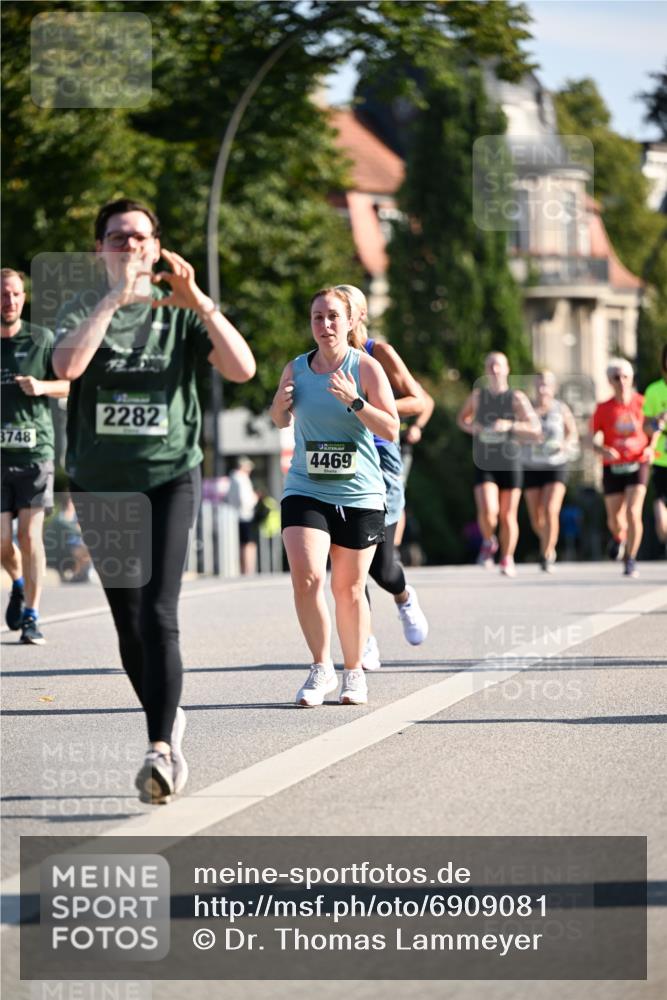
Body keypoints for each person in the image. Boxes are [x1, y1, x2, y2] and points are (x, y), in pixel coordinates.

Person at [52, 198, 255, 803]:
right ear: (100, 251)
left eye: (140, 237)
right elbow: (66, 366)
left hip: (170, 475)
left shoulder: (183, 314)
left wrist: (203, 304)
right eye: (116, 238)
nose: (129, 246)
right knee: (128, 623)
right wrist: (114, 299)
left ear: (158, 245)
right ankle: (167, 715)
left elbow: (241, 369)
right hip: (100, 482)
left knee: (159, 613)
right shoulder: (82, 308)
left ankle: (161, 747)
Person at [270, 287, 399, 707]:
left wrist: (356, 401)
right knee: (307, 577)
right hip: (306, 487)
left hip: (360, 492)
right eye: (317, 317)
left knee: (349, 588)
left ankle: (354, 672)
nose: (324, 325)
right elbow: (278, 419)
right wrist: (278, 405)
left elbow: (391, 429)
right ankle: (320, 667)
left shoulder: (366, 368)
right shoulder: (296, 368)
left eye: (332, 317)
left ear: (349, 322)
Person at [337, 283, 428, 673]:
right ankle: (366, 641)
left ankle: (404, 596)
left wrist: (369, 405)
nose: (332, 320)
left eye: (342, 311)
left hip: (380, 455)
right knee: (346, 559)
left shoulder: (379, 353)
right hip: (341, 459)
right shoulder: (322, 359)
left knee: (381, 566)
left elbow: (420, 400)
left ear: (358, 316)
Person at [1, 268, 70, 644]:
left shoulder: (41, 338)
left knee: (30, 536)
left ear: (23, 297)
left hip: (35, 453)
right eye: (2, 295)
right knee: (1, 543)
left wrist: (42, 385)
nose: (8, 301)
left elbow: (72, 384)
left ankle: (32, 615)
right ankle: (18, 582)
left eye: (14, 294)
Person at [457, 351, 540, 577]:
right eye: (491, 365)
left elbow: (535, 429)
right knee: (488, 510)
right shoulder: (477, 396)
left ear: (507, 369)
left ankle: (507, 558)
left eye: (499, 365)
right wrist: (472, 428)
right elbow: (462, 420)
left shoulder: (517, 398)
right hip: (485, 461)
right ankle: (488, 541)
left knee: (507, 515)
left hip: (510, 461)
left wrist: (509, 426)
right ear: (486, 370)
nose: (494, 369)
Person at [590, 357, 651, 578]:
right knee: (614, 519)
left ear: (631, 378)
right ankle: (618, 537)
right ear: (609, 381)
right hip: (612, 466)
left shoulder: (643, 403)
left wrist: (650, 448)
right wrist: (602, 450)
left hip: (638, 463)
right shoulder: (603, 408)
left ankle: (631, 559)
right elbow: (590, 438)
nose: (622, 381)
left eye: (625, 376)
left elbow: (655, 430)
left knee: (633, 512)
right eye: (617, 377)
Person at [521, 370, 579, 572]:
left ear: (553, 388)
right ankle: (547, 540)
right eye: (539, 384)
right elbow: (515, 434)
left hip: (556, 464)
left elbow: (573, 433)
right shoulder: (526, 409)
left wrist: (565, 444)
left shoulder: (560, 408)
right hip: (531, 465)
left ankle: (546, 554)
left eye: (546, 384)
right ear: (535, 387)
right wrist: (527, 435)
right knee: (536, 518)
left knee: (550, 509)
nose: (542, 388)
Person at [394, 383, 434, 548]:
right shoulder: (363, 368)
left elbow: (428, 402)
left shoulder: (397, 374)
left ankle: (393, 548)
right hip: (372, 444)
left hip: (400, 445)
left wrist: (417, 427)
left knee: (396, 494)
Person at [642, 343, 667, 553]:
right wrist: (657, 422)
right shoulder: (654, 390)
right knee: (662, 521)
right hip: (660, 457)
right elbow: (646, 427)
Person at [227, 456, 258, 574]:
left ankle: (245, 569)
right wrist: (254, 499)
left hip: (238, 514)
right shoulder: (240, 478)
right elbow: (244, 499)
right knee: (248, 543)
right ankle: (248, 569)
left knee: (244, 543)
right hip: (245, 514)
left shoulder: (234, 478)